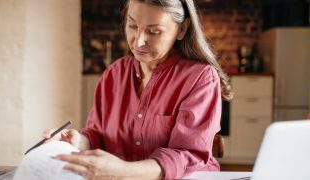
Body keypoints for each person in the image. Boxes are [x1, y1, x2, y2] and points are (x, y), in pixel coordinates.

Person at [44, 0, 232, 179]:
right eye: (132, 26)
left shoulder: (199, 78)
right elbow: (98, 135)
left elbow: (187, 155)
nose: (139, 41)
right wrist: (78, 141)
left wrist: (123, 172)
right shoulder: (114, 74)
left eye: (154, 31)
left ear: (182, 29)